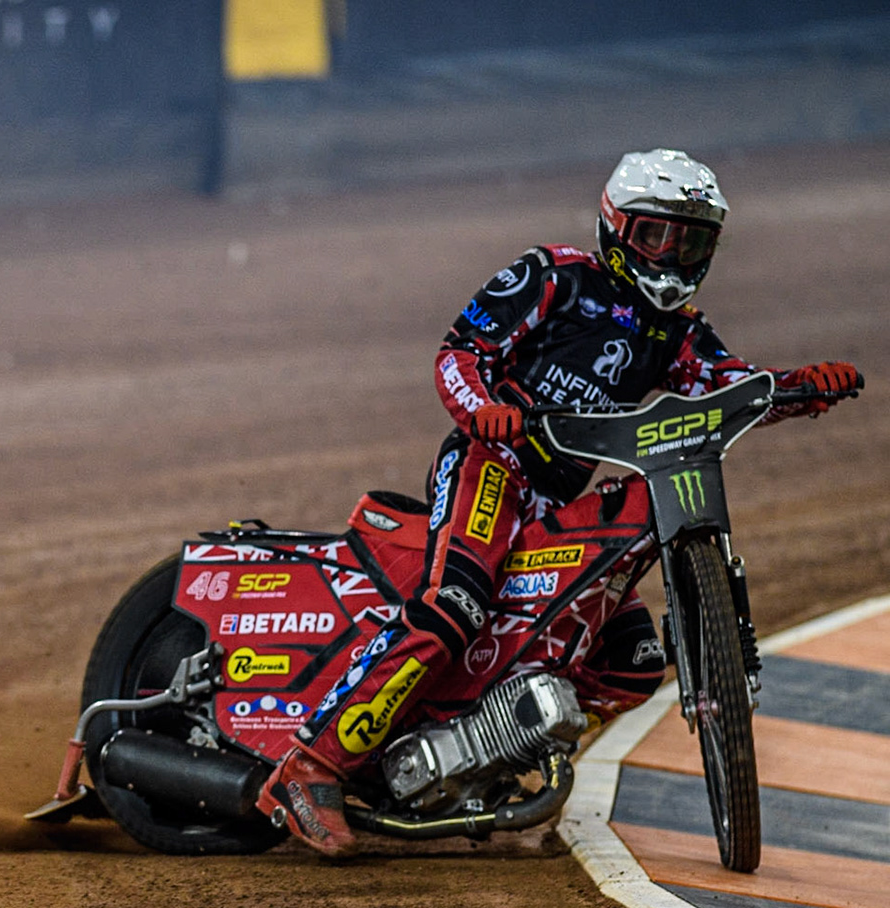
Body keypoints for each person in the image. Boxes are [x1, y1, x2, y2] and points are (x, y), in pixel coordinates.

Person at [255, 149, 862, 857]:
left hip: (559, 502)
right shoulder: (554, 277)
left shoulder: (681, 331)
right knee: (456, 603)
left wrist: (797, 389)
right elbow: (459, 352)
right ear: (614, 227)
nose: (671, 255)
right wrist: (482, 410)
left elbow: (727, 387)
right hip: (492, 467)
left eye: (691, 240)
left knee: (634, 658)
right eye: (654, 235)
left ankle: (502, 753)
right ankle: (310, 767)